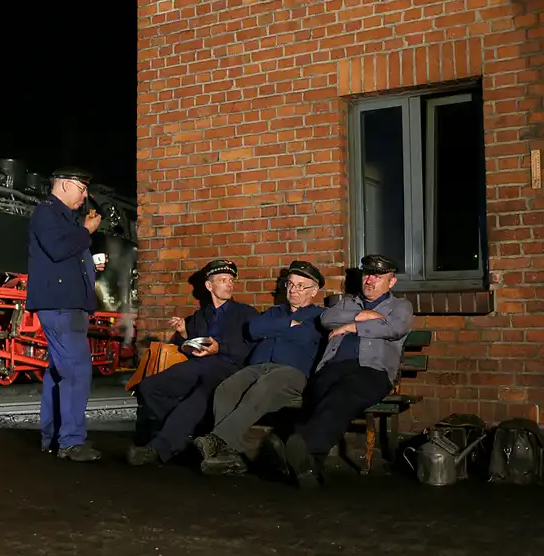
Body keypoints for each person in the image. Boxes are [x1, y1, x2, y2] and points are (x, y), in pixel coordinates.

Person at [279, 254, 413, 488]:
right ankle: (308, 468)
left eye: (378, 276)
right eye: (367, 274)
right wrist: (364, 316)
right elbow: (327, 318)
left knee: (344, 394)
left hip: (372, 370)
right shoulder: (346, 302)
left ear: (391, 282)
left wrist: (352, 326)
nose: (370, 280)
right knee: (321, 392)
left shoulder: (400, 306)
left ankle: (304, 444)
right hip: (333, 367)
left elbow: (395, 327)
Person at [194, 260, 326, 475]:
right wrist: (287, 326)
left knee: (265, 387)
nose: (294, 290)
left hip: (291, 372)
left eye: (301, 286)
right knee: (227, 388)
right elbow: (254, 329)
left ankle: (216, 440)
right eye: (291, 284)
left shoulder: (320, 316)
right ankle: (231, 456)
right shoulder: (275, 312)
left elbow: (306, 335)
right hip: (259, 366)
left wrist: (275, 330)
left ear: (314, 291)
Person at [127, 259, 259, 466]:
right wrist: (182, 332)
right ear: (209, 286)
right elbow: (190, 345)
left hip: (228, 368)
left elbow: (250, 347)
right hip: (198, 365)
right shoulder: (200, 316)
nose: (229, 284)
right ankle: (184, 435)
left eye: (231, 280)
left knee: (202, 392)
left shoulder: (246, 314)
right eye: (223, 280)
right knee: (149, 386)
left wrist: (220, 348)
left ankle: (160, 447)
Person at [26, 166, 107, 462]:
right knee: (76, 370)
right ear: (64, 185)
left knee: (59, 372)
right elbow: (59, 249)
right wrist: (85, 231)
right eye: (81, 188)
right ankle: (71, 441)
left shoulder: (61, 217)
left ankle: (53, 437)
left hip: (67, 303)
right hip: (62, 305)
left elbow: (63, 256)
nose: (85, 195)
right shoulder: (47, 212)